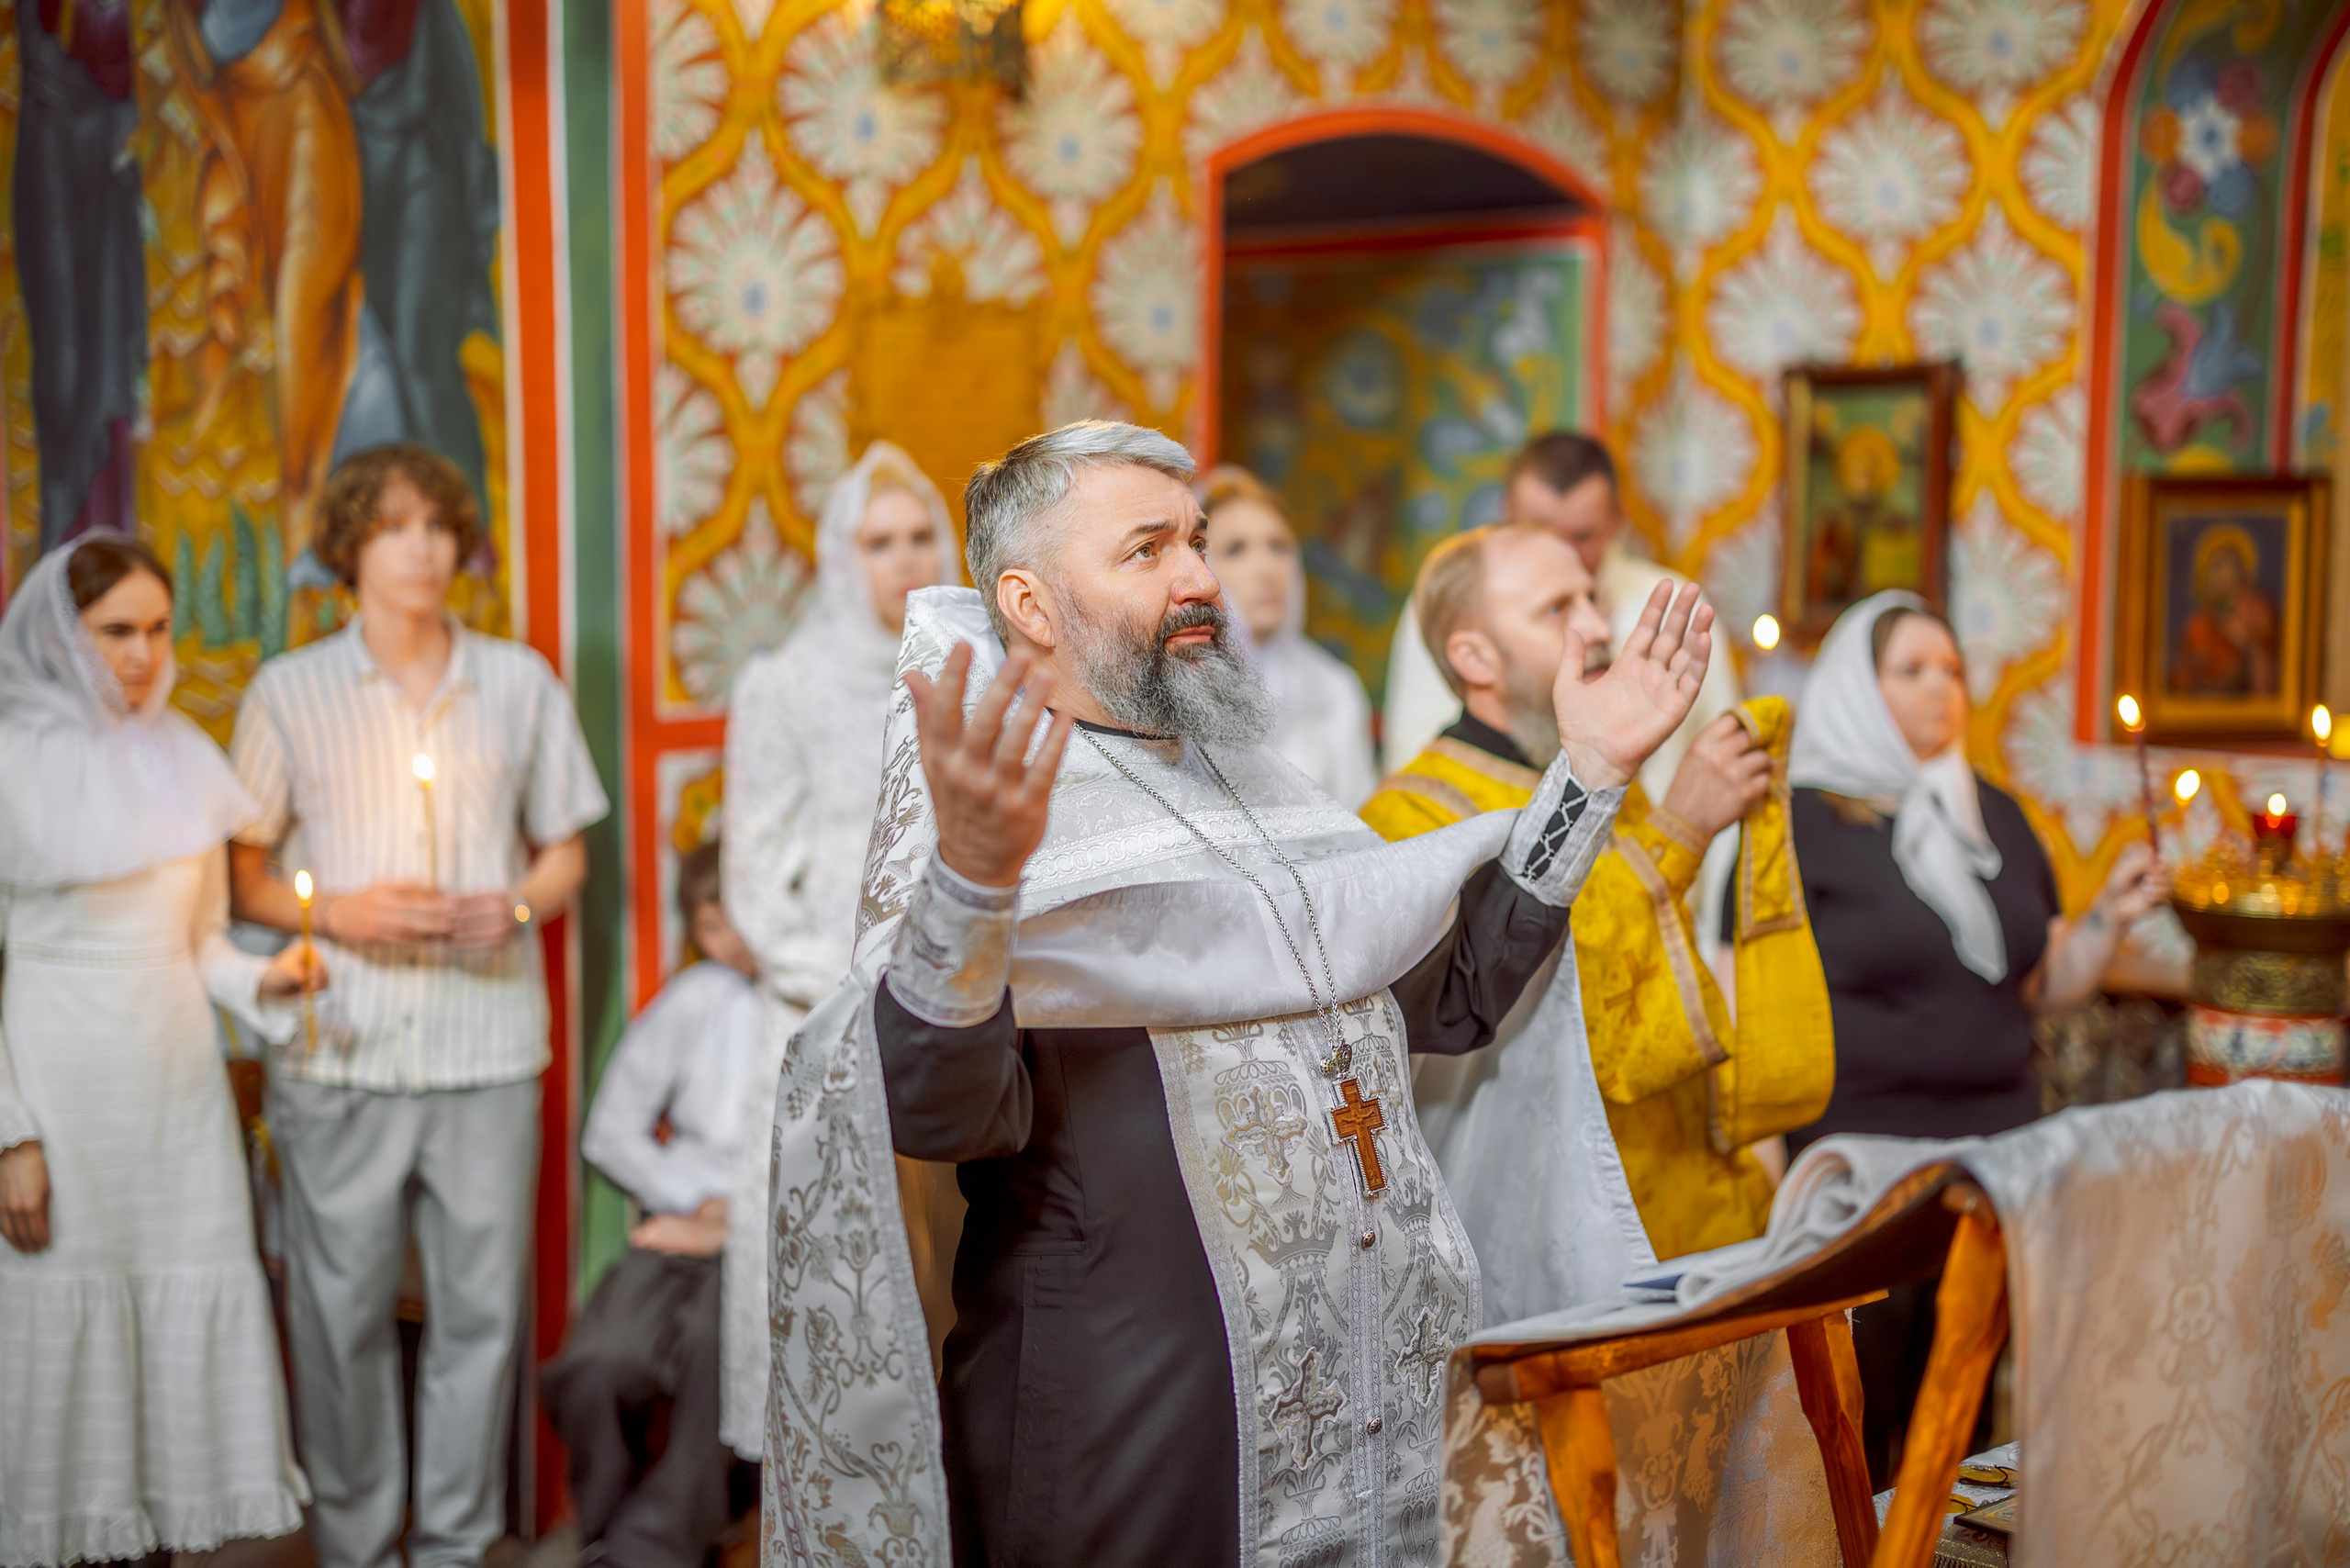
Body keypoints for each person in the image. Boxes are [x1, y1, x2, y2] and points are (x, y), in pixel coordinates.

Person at [760, 420, 1714, 1566]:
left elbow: (1449, 1001)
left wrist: (1590, 775)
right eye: (1148, 549)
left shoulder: (1262, 787)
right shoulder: (999, 807)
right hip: (1137, 1435)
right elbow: (936, 1110)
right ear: (1028, 600)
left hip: (1377, 1413)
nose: (1202, 579)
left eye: (1197, 542)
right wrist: (969, 886)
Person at [225, 444, 610, 1568]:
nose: (423, 548)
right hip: (338, 1049)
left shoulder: (520, 681)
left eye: (439, 526)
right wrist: (343, 912)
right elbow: (244, 876)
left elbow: (563, 856)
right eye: (394, 527)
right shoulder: (286, 692)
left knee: (479, 1318)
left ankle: (451, 1541)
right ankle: (355, 1543)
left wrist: (515, 906)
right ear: (350, 545)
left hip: (486, 1046)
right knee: (337, 1321)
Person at [1361, 524, 1834, 1271]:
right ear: (1474, 655)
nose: (1596, 626)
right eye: (1557, 610)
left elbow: (1653, 978)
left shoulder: (1595, 771)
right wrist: (1682, 828)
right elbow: (1544, 997)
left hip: (1687, 1190)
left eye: (1592, 596)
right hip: (1561, 1223)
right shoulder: (1413, 818)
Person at [1788, 589, 2165, 1483]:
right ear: (1852, 685)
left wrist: (2108, 914)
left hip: (1995, 1154)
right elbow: (1743, 999)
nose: (1939, 690)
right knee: (1853, 1413)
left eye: (1951, 670)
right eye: (1910, 670)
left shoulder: (1991, 814)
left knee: (1955, 1408)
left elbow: (2040, 986)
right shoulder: (1799, 822)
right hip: (1862, 1160)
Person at [0, 538, 319, 1564]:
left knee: (177, 1323)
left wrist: (266, 981)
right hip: (61, 1089)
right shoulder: (9, 762)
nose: (142, 654)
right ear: (62, 633)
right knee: (66, 1325)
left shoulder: (187, 753)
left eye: (157, 629)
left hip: (176, 1100)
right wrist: (10, 1136)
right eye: (116, 631)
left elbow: (203, 946)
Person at [719, 440, 961, 1459]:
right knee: (832, 1266)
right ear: (839, 554)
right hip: (826, 998)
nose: (902, 559)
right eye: (878, 542)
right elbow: (752, 873)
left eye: (919, 537)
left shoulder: (970, 668)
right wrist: (837, 985)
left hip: (951, 995)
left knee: (946, 1264)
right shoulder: (784, 684)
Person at [541, 841, 759, 1568]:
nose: (733, 940)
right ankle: (606, 1534)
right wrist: (696, 1206)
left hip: (776, 1234)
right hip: (686, 1217)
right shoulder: (694, 1000)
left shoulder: (827, 989)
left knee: (714, 1347)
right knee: (600, 1361)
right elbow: (611, 1131)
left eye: (742, 917)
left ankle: (656, 1549)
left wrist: (743, 1219)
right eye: (713, 926)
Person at [1382, 431, 1740, 791]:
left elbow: (1715, 756)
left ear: (1617, 519)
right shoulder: (1459, 602)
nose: (1558, 551)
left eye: (1582, 536)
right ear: (1507, 512)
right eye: (1557, 608)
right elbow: (1412, 753)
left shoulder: (1677, 605)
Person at [1197, 465, 1376, 807]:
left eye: (1279, 547)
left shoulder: (1335, 688)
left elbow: (1359, 821)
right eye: (1236, 549)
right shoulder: (1176, 686)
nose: (1266, 569)